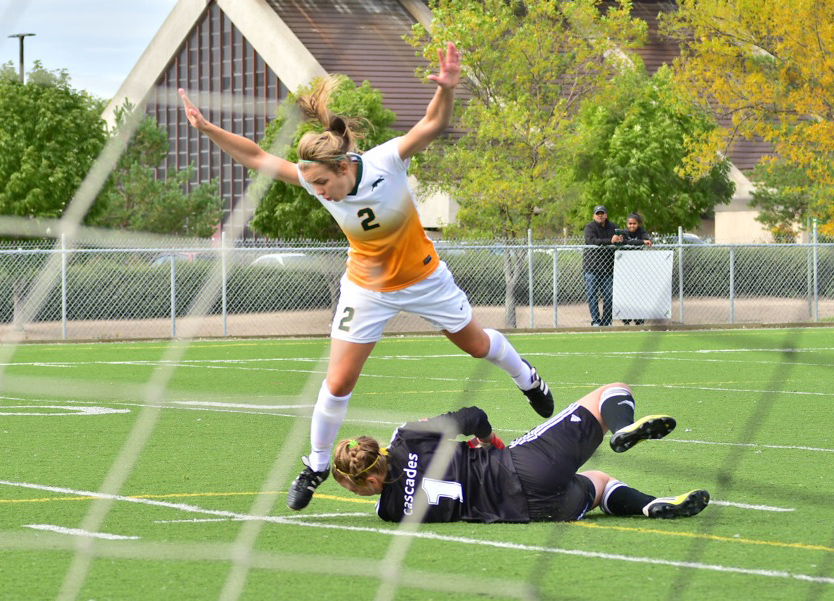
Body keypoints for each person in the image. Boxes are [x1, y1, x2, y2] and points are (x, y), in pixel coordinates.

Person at [179, 43, 554, 512]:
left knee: (478, 346)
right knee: (337, 383)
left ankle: (528, 378)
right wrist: (206, 127)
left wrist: (448, 89)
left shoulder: (384, 163)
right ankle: (315, 465)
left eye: (321, 184)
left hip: (424, 279)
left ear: (343, 167)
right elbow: (256, 157)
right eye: (311, 183)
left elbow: (433, 125)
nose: (316, 191)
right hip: (366, 287)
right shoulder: (318, 177)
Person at [332, 382, 709, 523]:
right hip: (521, 465)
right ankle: (623, 425)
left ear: (369, 480)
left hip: (531, 511)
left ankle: (648, 506)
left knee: (598, 484)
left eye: (351, 488)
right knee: (612, 391)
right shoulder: (405, 438)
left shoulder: (388, 512)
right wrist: (488, 441)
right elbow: (473, 416)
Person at [583, 206, 621, 327]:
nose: (600, 215)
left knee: (609, 295)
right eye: (597, 213)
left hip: (608, 268)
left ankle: (606, 321)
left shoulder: (613, 227)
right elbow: (591, 241)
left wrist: (620, 239)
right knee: (592, 295)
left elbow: (620, 238)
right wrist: (610, 241)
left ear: (606, 215)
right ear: (594, 216)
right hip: (592, 267)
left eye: (602, 213)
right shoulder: (590, 227)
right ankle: (595, 321)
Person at [620, 212, 652, 325]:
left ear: (638, 224)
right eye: (630, 223)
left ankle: (639, 320)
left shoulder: (642, 232)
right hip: (626, 268)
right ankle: (626, 320)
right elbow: (624, 242)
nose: (632, 226)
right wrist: (641, 242)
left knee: (639, 294)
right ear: (627, 224)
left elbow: (646, 240)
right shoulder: (623, 233)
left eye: (634, 223)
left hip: (639, 268)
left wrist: (642, 242)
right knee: (626, 294)